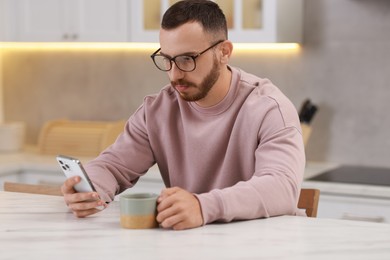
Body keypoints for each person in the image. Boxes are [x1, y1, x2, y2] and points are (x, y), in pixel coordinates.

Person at [61, 0, 305, 230]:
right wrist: (89, 189)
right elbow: (113, 167)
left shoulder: (270, 108)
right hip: (192, 243)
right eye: (167, 59)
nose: (175, 74)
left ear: (224, 52)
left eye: (187, 59)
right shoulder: (157, 110)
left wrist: (202, 206)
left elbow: (281, 187)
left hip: (267, 244)